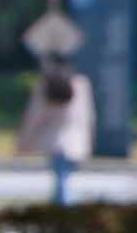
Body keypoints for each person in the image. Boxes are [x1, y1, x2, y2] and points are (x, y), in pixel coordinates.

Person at [22, 65, 95, 206]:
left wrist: (24, 141)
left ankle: (64, 212)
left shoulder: (45, 85)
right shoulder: (81, 84)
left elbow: (33, 117)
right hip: (77, 143)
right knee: (63, 181)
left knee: (62, 184)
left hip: (55, 143)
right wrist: (89, 142)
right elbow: (88, 117)